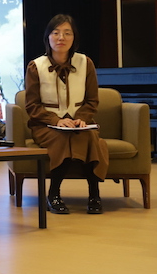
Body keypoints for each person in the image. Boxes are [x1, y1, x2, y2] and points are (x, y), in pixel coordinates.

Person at [25, 14, 109, 215]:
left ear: (74, 38)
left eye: (67, 33)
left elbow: (92, 100)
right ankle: (53, 193)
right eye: (56, 33)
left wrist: (82, 118)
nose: (61, 37)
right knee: (62, 137)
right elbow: (32, 105)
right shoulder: (36, 66)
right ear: (48, 37)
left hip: (80, 123)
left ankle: (94, 194)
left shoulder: (86, 63)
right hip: (45, 125)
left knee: (89, 136)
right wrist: (56, 120)